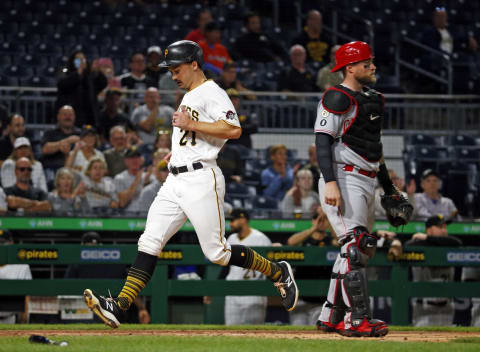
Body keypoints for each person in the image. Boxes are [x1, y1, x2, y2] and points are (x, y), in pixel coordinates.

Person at [83, 40, 298, 329]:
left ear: (194, 64)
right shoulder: (189, 95)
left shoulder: (212, 92)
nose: (172, 74)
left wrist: (192, 127)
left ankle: (277, 272)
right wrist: (179, 151)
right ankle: (119, 306)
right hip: (175, 179)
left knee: (217, 253)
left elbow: (233, 129)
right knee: (149, 241)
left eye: (176, 68)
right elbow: (194, 134)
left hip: (201, 179)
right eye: (170, 69)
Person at [314, 41, 392, 337]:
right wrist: (330, 181)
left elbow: (375, 147)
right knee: (356, 247)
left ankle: (330, 315)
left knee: (357, 250)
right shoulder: (335, 97)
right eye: (366, 63)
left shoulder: (373, 99)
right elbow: (322, 141)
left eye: (371, 62)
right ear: (350, 67)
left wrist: (389, 188)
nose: (372, 67)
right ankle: (356, 320)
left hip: (367, 177)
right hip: (343, 177)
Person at [65, 232, 150, 324]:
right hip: (113, 314)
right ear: (101, 245)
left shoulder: (76, 262)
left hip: (84, 315)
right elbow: (130, 286)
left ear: (82, 245)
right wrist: (142, 308)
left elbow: (64, 289)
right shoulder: (115, 261)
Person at [405, 215, 462, 326]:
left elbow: (457, 242)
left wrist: (427, 238)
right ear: (429, 230)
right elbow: (408, 245)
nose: (444, 230)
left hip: (446, 308)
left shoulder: (449, 244)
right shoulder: (418, 244)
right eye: (440, 227)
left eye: (445, 227)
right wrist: (426, 240)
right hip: (424, 308)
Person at [287, 207, 337, 325]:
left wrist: (329, 223)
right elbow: (291, 242)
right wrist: (314, 228)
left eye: (324, 219)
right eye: (317, 218)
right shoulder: (304, 239)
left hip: (321, 299)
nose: (320, 221)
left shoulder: (331, 240)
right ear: (312, 220)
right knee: (296, 331)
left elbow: (340, 241)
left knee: (317, 333)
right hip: (301, 297)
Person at [223, 208, 272, 325]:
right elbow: (226, 267)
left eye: (233, 220)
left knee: (254, 333)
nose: (230, 224)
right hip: (233, 292)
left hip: (253, 292)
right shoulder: (231, 239)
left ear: (243, 220)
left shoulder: (261, 239)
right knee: (230, 332)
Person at [56, 50, 107, 127]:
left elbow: (102, 84)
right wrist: (78, 73)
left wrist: (98, 73)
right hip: (72, 114)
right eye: (78, 59)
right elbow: (62, 85)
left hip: (89, 115)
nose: (81, 62)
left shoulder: (89, 76)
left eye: (83, 59)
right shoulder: (66, 73)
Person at [0, 230, 32, 324]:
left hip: (10, 319)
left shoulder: (21, 266)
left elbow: (27, 294)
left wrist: (24, 316)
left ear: (11, 243)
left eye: (3, 242)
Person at [41, 105, 81, 171]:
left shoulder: (80, 133)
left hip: (74, 168)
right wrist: (66, 141)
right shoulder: (50, 132)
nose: (68, 117)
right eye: (65, 114)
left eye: (70, 115)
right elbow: (45, 149)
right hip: (52, 168)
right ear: (58, 117)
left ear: (74, 117)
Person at [113, 146, 146, 213]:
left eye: (137, 157)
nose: (134, 160)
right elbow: (122, 203)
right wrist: (137, 180)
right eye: (131, 158)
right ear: (126, 161)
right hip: (128, 215)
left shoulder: (149, 176)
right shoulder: (119, 178)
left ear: (141, 160)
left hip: (147, 214)